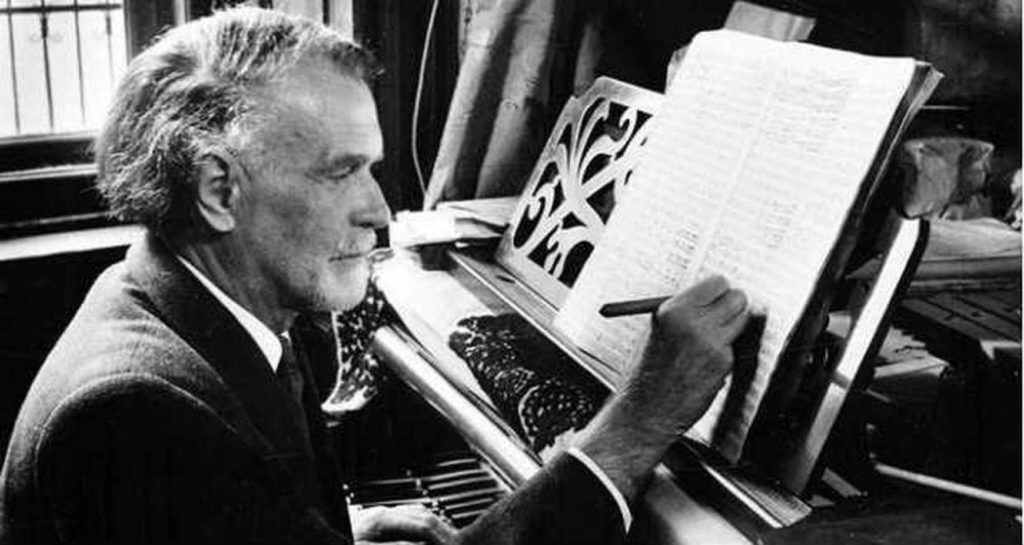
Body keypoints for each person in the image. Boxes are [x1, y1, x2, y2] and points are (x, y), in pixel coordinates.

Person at [0, 7, 749, 545]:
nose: (380, 210)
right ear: (219, 191)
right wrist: (638, 421)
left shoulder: (185, 304)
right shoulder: (136, 413)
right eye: (341, 172)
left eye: (374, 168)